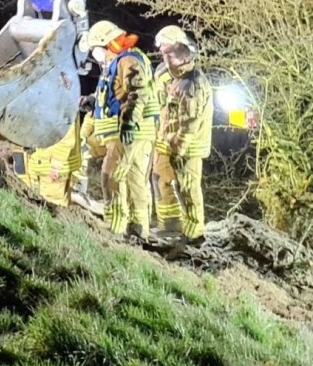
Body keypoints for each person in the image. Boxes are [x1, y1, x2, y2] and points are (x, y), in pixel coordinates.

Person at [80, 19, 161, 239]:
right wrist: (92, 100)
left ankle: (115, 228)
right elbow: (116, 93)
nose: (94, 55)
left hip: (129, 131)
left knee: (111, 176)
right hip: (138, 132)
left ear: (107, 43)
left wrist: (128, 121)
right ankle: (138, 229)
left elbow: (137, 93)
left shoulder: (127, 61)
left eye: (95, 50)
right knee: (135, 181)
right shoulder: (121, 61)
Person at [151, 25, 213, 244]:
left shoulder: (192, 84)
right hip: (172, 142)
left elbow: (189, 124)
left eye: (168, 52)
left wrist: (178, 148)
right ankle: (174, 226)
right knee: (164, 180)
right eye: (163, 53)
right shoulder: (175, 77)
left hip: (188, 147)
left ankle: (194, 234)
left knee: (188, 189)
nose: (164, 57)